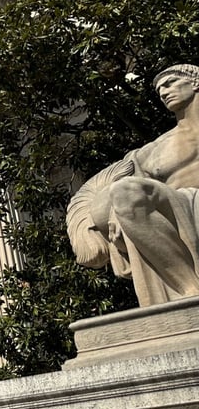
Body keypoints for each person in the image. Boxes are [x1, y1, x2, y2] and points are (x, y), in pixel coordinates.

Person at [68, 64, 199, 305]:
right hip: (180, 207)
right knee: (122, 192)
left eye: (170, 83)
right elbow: (124, 184)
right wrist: (118, 209)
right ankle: (189, 289)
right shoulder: (158, 148)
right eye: (159, 89)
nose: (163, 92)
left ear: (195, 82)